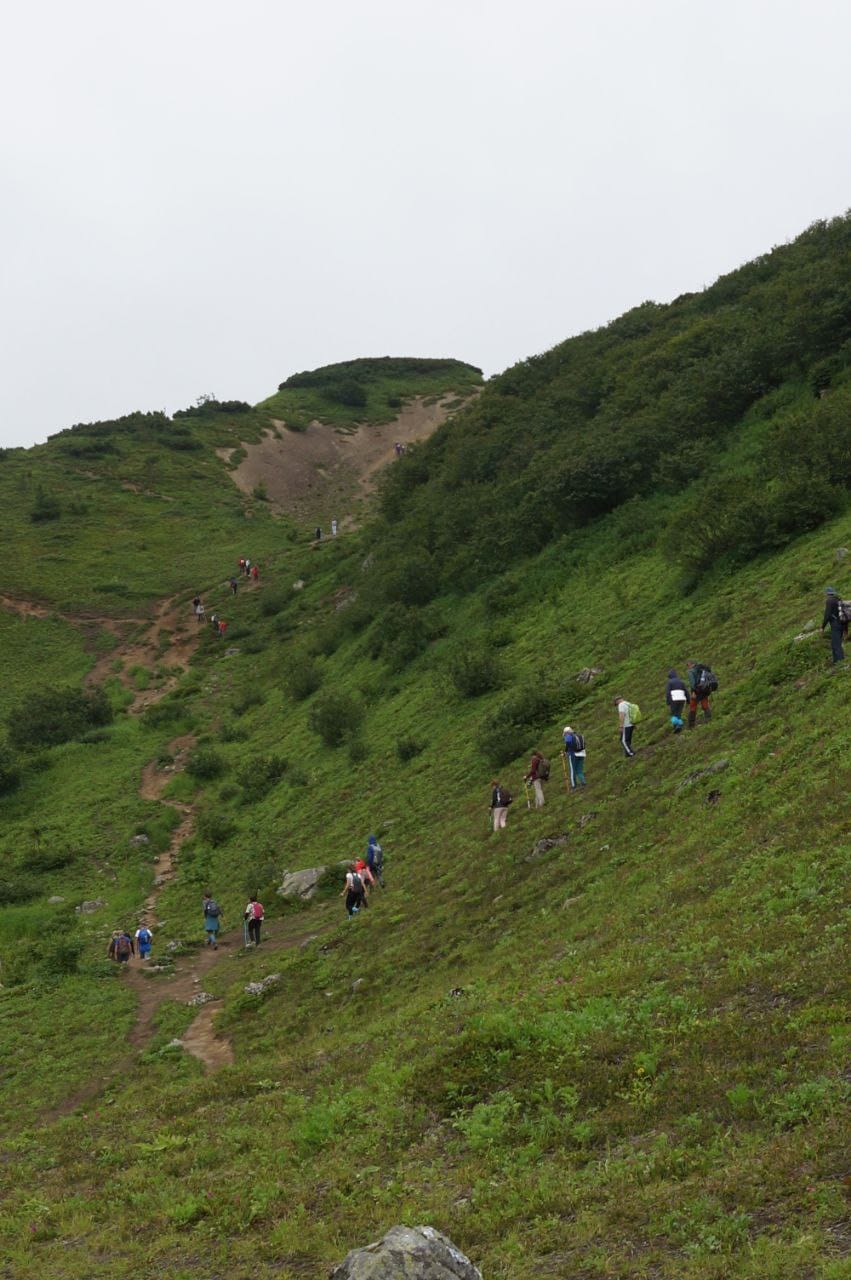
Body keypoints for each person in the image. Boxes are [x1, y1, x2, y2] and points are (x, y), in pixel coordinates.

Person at [822, 587, 847, 666]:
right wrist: (845, 629)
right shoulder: (838, 600)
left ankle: (841, 662)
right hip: (842, 624)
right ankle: (835, 662)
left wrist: (822, 627)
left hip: (835, 625)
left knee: (836, 644)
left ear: (827, 593)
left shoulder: (829, 601)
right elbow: (843, 614)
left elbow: (827, 614)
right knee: (834, 644)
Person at [686, 660, 714, 727]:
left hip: (696, 690)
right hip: (704, 689)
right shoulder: (703, 669)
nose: (688, 667)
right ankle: (708, 719)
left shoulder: (691, 671)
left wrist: (693, 691)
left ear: (692, 664)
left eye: (688, 665)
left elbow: (692, 683)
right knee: (705, 704)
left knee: (693, 706)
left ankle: (691, 724)